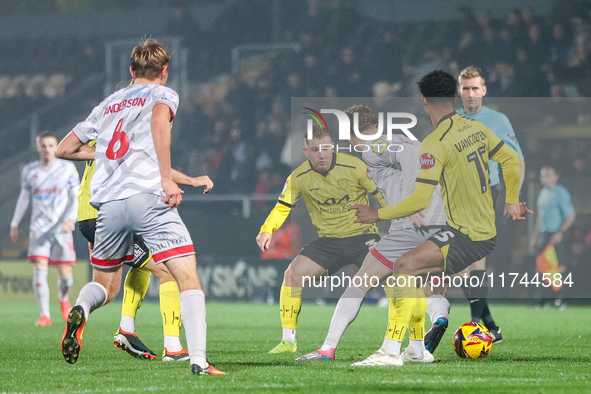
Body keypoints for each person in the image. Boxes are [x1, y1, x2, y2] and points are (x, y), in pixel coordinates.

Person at [56, 39, 224, 375]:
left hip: (108, 207)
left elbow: (64, 149)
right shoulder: (163, 94)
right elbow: (160, 123)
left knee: (105, 284)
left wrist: (103, 151)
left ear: (131, 71)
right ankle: (197, 361)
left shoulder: (106, 105)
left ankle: (82, 309)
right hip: (147, 200)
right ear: (164, 71)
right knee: (185, 276)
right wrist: (166, 179)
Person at [350, 69, 532, 365]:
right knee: (424, 280)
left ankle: (390, 352)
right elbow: (510, 158)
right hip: (481, 229)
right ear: (455, 95)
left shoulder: (434, 143)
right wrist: (511, 201)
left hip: (466, 234)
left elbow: (419, 199)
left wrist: (377, 213)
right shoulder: (475, 128)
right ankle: (417, 350)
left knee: (404, 266)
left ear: (424, 101)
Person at [296, 104, 447, 365]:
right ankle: (417, 350)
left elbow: (412, 156)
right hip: (437, 225)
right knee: (414, 286)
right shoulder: (399, 138)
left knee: (360, 282)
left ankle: (329, 348)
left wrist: (413, 202)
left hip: (410, 227)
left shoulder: (375, 147)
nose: (349, 141)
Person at [77, 139, 214, 361]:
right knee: (167, 271)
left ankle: (122, 327)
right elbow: (153, 169)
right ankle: (172, 345)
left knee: (133, 270)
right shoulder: (130, 130)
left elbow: (70, 151)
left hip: (89, 214)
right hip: (115, 212)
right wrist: (192, 180)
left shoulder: (103, 130)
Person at [256, 123, 386, 354]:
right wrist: (267, 229)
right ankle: (288, 342)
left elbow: (382, 195)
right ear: (306, 152)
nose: (321, 154)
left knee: (397, 279)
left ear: (333, 147)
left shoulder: (354, 166)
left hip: (363, 237)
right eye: (315, 149)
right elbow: (282, 207)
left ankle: (410, 342)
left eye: (325, 148)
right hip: (330, 242)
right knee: (292, 275)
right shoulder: (298, 177)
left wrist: (397, 222)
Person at [424, 65, 526, 348]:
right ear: (458, 92)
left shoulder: (497, 120)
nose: (469, 94)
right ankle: (486, 323)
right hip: (454, 195)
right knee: (462, 267)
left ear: (484, 90)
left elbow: (515, 159)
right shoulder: (450, 120)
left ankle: (476, 325)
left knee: (473, 261)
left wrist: (511, 198)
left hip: (486, 192)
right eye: (465, 89)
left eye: (474, 88)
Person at [10, 132, 80, 327]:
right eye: (44, 146)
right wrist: (15, 223)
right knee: (39, 270)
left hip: (61, 228)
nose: (47, 149)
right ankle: (44, 315)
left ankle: (64, 299)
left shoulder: (67, 168)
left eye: (51, 146)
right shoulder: (30, 170)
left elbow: (76, 196)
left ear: (56, 147)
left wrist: (70, 219)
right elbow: (24, 198)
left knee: (65, 275)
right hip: (39, 229)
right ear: (38, 148)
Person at [530, 165, 575, 309]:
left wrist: (560, 232)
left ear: (556, 176)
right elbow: (540, 216)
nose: (545, 178)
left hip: (556, 234)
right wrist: (535, 236)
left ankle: (561, 299)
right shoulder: (542, 192)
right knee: (541, 266)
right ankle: (542, 299)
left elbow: (570, 216)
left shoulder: (561, 192)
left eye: (548, 175)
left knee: (559, 267)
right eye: (543, 175)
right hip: (544, 233)